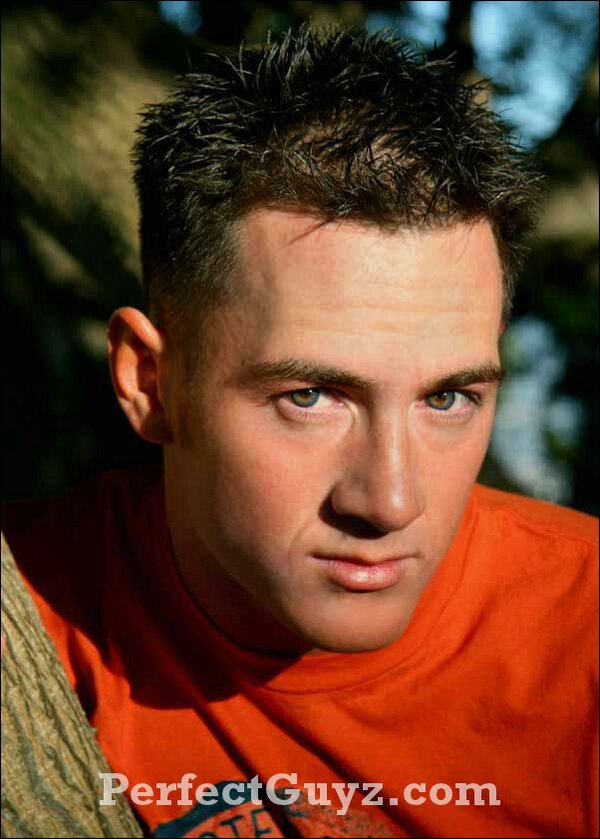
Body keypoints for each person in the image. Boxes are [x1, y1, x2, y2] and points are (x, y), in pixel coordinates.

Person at [3, 22, 598, 839]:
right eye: (311, 396)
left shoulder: (583, 632)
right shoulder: (35, 611)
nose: (390, 501)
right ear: (150, 383)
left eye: (448, 398)